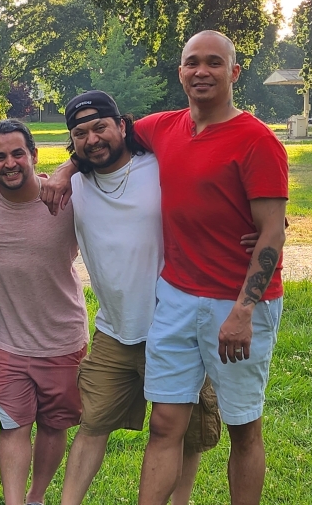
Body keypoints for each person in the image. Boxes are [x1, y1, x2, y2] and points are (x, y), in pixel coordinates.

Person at [42, 32, 288, 504]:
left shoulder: (258, 140)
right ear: (180, 72)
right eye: (192, 62)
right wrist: (63, 171)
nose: (202, 71)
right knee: (165, 422)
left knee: (244, 426)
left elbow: (272, 232)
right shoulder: (162, 128)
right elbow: (95, 140)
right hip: (175, 297)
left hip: (236, 304)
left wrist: (242, 311)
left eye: (214, 63)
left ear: (234, 72)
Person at [47, 91, 223, 505]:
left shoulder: (160, 166)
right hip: (114, 330)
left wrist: (263, 215)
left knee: (186, 433)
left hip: (177, 326)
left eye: (100, 127)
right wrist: (62, 170)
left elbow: (214, 183)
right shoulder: (72, 185)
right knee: (92, 424)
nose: (92, 139)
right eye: (80, 133)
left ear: (122, 126)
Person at [0, 119, 89, 505]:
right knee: (13, 428)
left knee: (54, 428)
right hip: (7, 345)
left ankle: (37, 497)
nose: (9, 163)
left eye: (18, 153)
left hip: (63, 341)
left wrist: (69, 167)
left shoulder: (69, 198)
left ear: (34, 155)